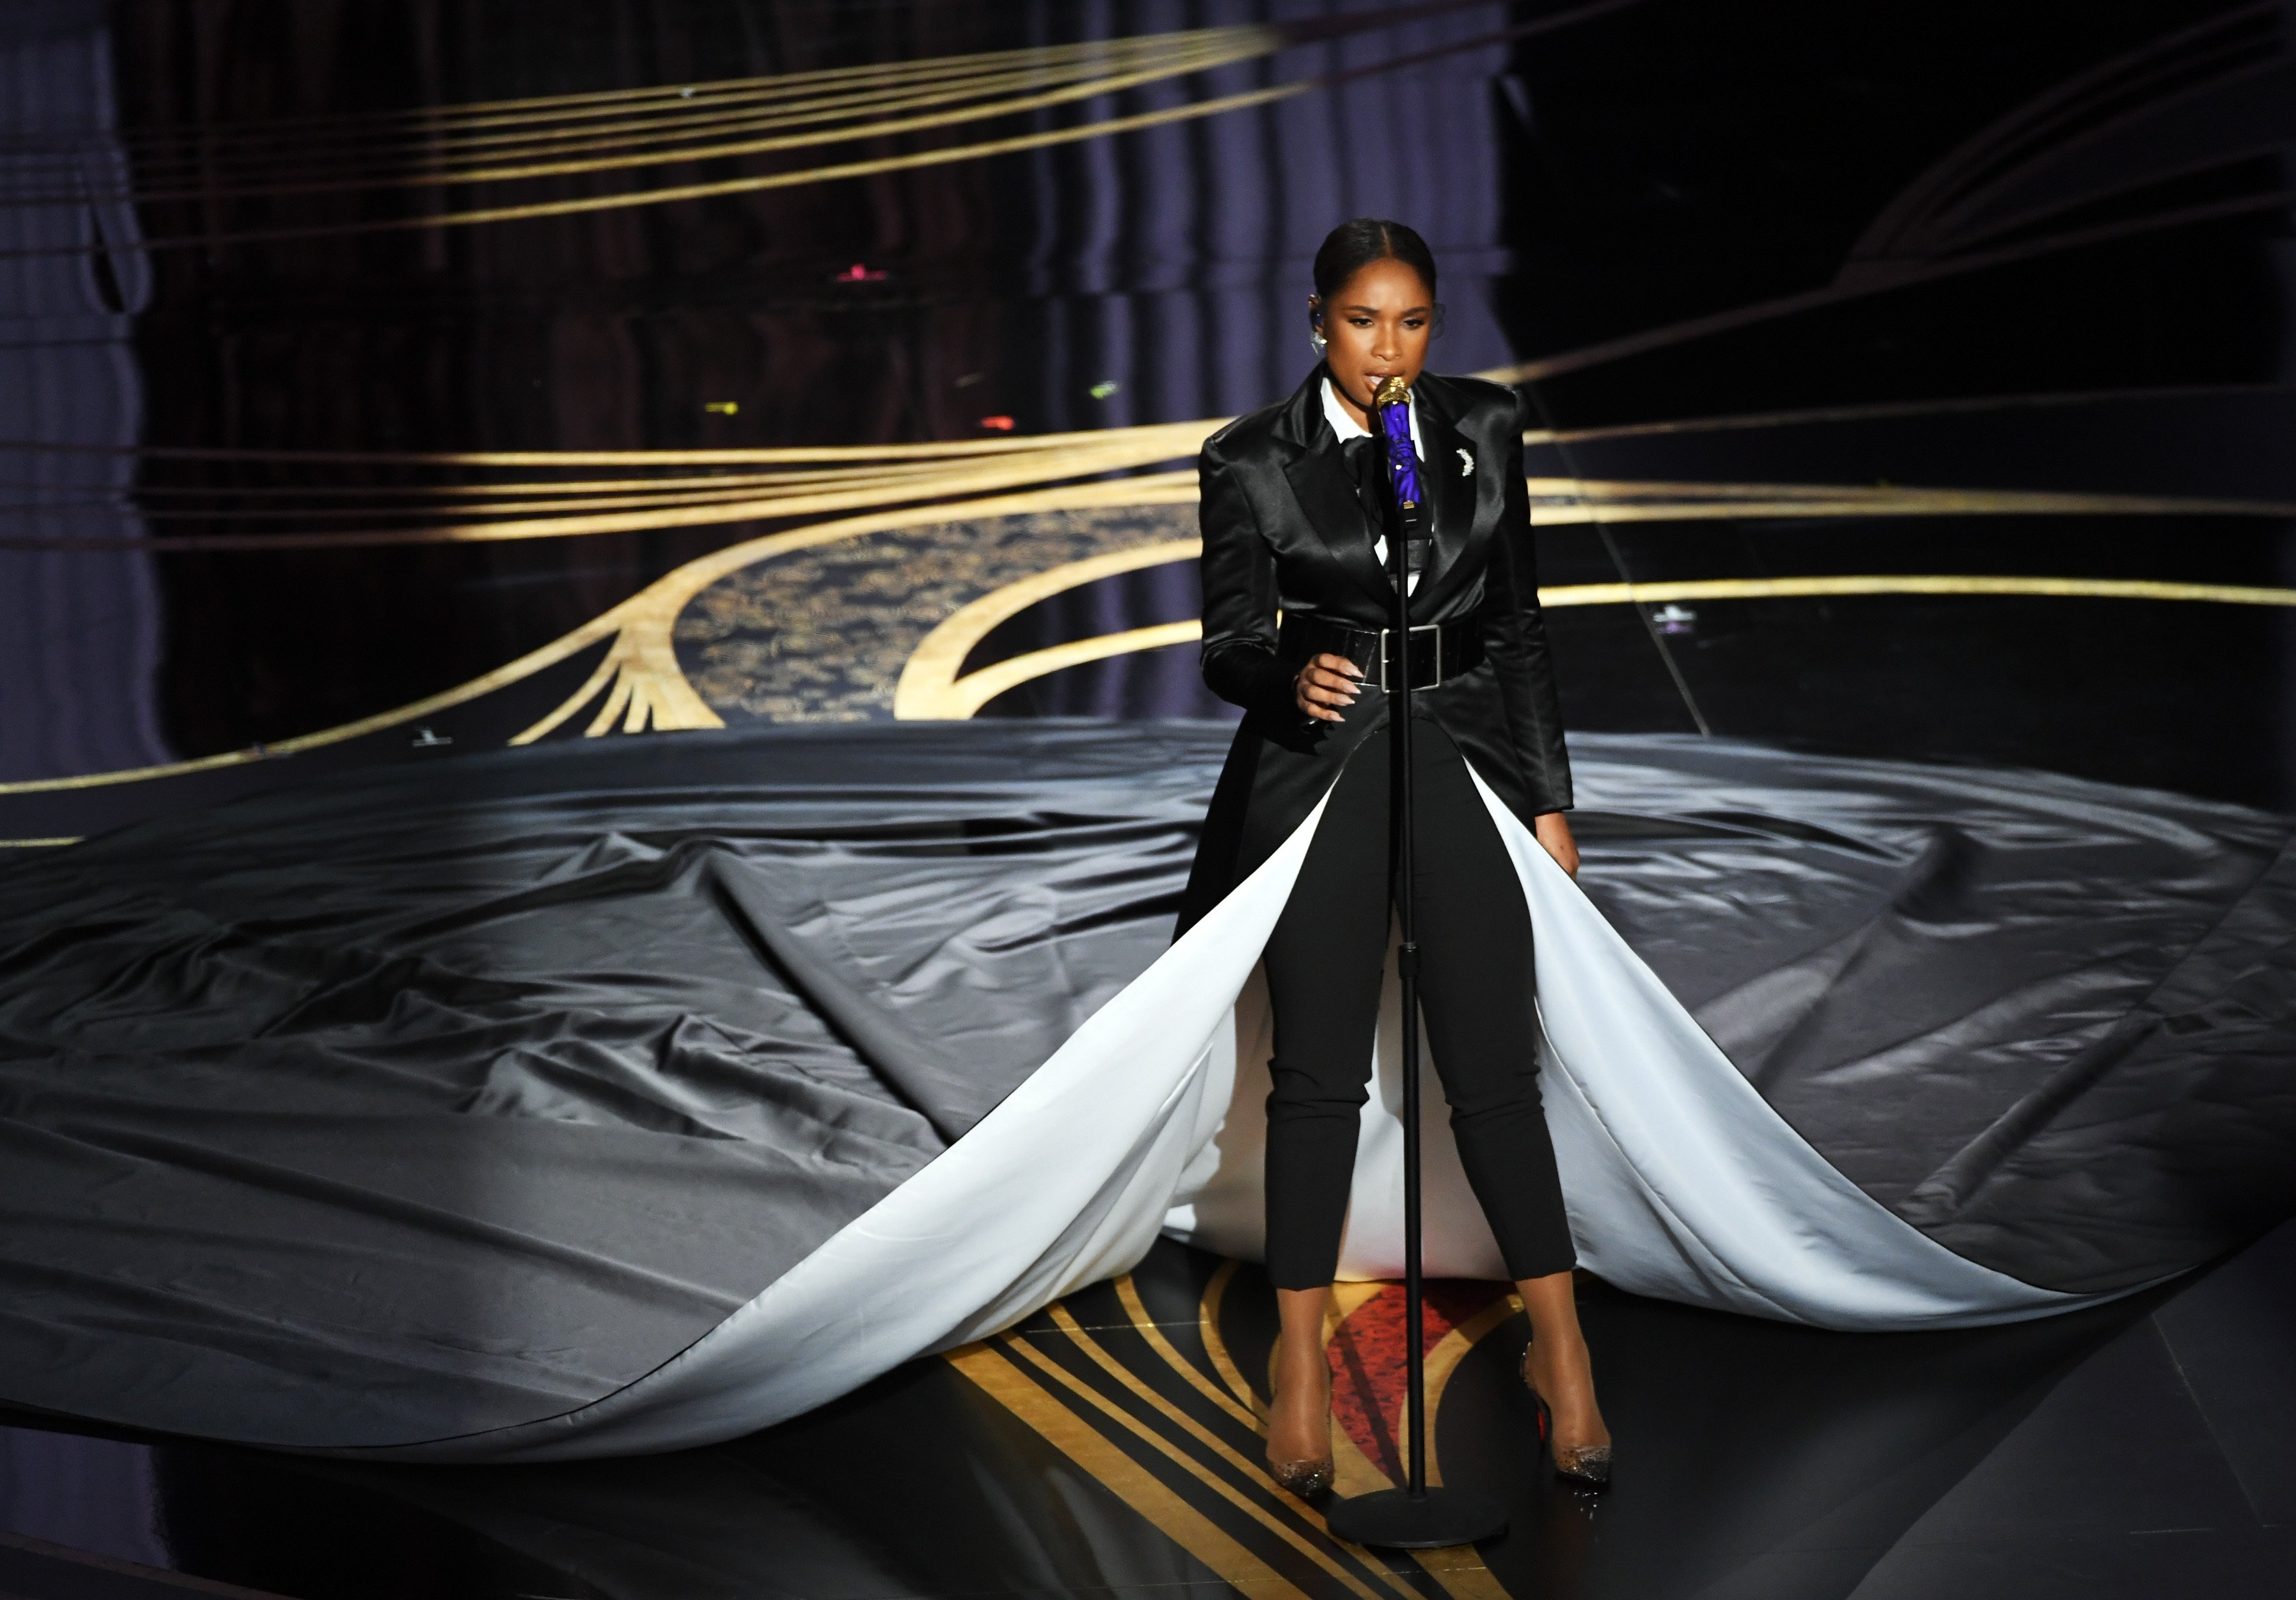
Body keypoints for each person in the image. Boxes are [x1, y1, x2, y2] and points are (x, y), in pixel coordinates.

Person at [1178, 218, 1611, 1492]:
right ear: (1317, 320)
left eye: (1411, 321)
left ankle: (1563, 1352)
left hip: (1460, 757)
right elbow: (1224, 641)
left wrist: (1546, 797)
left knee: (1491, 1063)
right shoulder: (1250, 457)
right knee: (1315, 1076)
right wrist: (1282, 670)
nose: (1388, 348)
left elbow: (1518, 619)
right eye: (1363, 321)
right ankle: (1300, 1367)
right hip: (1322, 768)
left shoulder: (1478, 428)